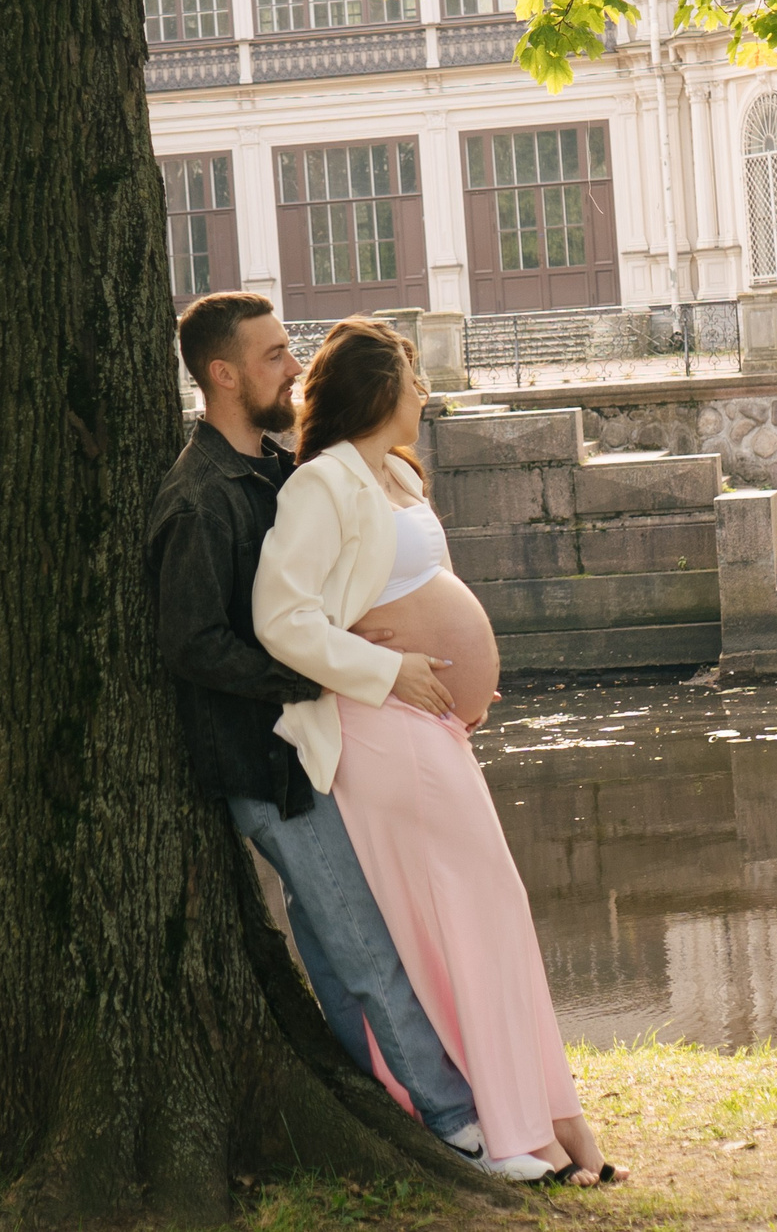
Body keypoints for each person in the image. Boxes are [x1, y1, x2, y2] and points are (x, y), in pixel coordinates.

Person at [253, 318, 624, 1187]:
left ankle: (552, 1121)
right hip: (379, 730)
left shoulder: (393, 474)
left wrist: (460, 678)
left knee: (486, 907)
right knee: (462, 913)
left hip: (429, 727)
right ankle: (502, 1128)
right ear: (381, 388)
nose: (425, 393)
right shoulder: (321, 485)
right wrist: (388, 667)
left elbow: (414, 588)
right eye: (413, 378)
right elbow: (282, 618)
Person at [145, 293, 499, 1173]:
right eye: (273, 356)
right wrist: (323, 666)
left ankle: (376, 1090)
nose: (294, 369)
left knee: (335, 944)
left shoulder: (269, 467)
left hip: (312, 743)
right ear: (222, 374)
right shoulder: (198, 500)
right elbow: (192, 644)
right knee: (362, 941)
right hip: (266, 764)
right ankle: (456, 1121)